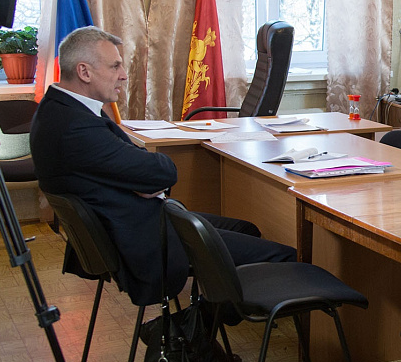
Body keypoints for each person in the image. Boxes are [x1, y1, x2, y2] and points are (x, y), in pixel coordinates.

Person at [30, 26, 296, 307]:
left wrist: (142, 179)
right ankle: (200, 327)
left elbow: (143, 169)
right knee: (286, 256)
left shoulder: (57, 110)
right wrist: (144, 177)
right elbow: (163, 172)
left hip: (133, 222)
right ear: (84, 72)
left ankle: (205, 323)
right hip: (143, 238)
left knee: (245, 229)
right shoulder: (75, 127)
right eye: (115, 66)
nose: (123, 75)